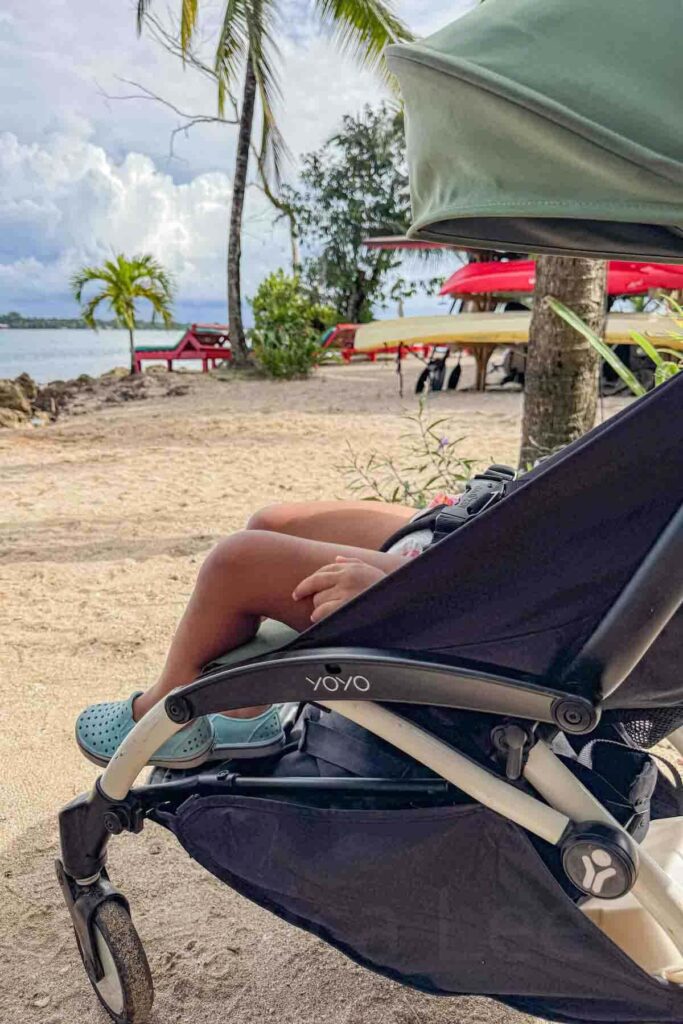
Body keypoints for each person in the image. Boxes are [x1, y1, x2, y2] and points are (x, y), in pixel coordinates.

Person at [76, 499, 424, 768]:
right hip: (452, 535)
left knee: (236, 562)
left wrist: (398, 592)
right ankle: (243, 716)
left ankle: (167, 716)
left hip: (444, 598)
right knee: (273, 524)